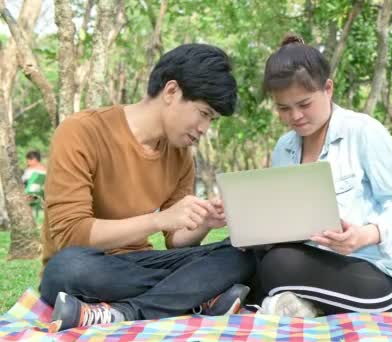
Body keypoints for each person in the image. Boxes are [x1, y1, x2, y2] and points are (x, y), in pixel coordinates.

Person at [40, 44, 255, 331]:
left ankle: (124, 312)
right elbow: (71, 235)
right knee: (66, 268)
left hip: (143, 263)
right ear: (171, 92)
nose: (205, 128)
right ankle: (195, 295)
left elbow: (176, 241)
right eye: (203, 113)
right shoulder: (81, 132)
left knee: (242, 253)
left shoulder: (181, 156)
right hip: (90, 267)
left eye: (211, 120)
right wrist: (158, 219)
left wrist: (203, 222)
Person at [253, 34, 392, 317]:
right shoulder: (284, 148)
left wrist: (365, 235)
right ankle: (302, 302)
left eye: (304, 104)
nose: (295, 116)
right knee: (245, 253)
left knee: (277, 264)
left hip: (383, 277)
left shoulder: (364, 132)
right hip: (319, 265)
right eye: (283, 108)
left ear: (328, 88)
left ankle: (291, 299)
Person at [22, 150, 47, 223]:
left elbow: (22, 180)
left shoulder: (30, 170)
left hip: (28, 192)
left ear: (34, 159)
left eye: (28, 160)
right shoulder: (45, 170)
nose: (27, 162)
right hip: (39, 193)